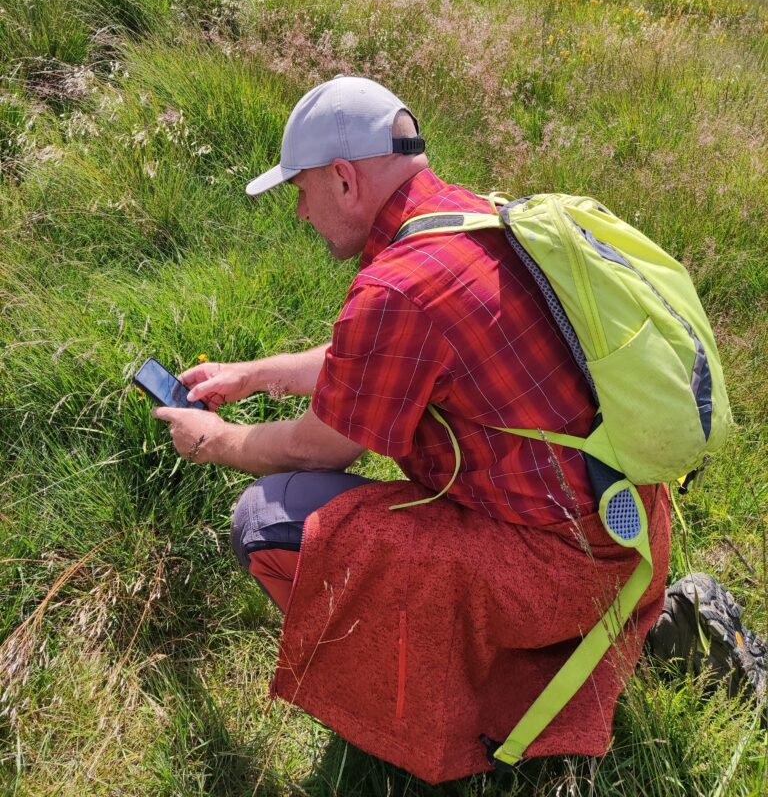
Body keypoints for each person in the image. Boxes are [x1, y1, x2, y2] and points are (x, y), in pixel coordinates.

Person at [153, 77, 764, 783]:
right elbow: (380, 356)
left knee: (267, 520)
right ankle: (636, 639)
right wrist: (255, 374)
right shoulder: (471, 215)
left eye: (301, 188)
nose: (298, 212)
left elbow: (313, 445)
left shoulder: (396, 287)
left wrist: (210, 440)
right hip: (623, 529)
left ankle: (422, 712)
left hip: (559, 572)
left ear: (345, 179)